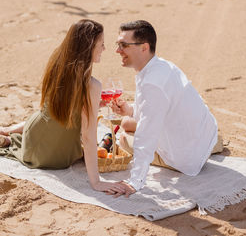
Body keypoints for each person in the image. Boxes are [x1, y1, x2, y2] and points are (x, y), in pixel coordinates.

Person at [0, 19, 125, 195]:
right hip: (57, 157)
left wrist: (92, 104)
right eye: (101, 44)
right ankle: (7, 136)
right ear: (89, 46)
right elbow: (88, 137)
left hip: (34, 141)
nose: (104, 49)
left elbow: (53, 110)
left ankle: (7, 134)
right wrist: (96, 182)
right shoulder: (92, 85)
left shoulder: (58, 63)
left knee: (43, 117)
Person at [110, 20, 223, 197]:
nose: (118, 50)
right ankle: (215, 145)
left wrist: (135, 181)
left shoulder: (151, 83)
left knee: (123, 137)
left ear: (144, 47)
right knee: (128, 120)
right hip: (207, 137)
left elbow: (147, 135)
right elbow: (155, 109)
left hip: (187, 159)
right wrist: (130, 109)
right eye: (117, 45)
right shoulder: (163, 66)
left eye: (123, 45)